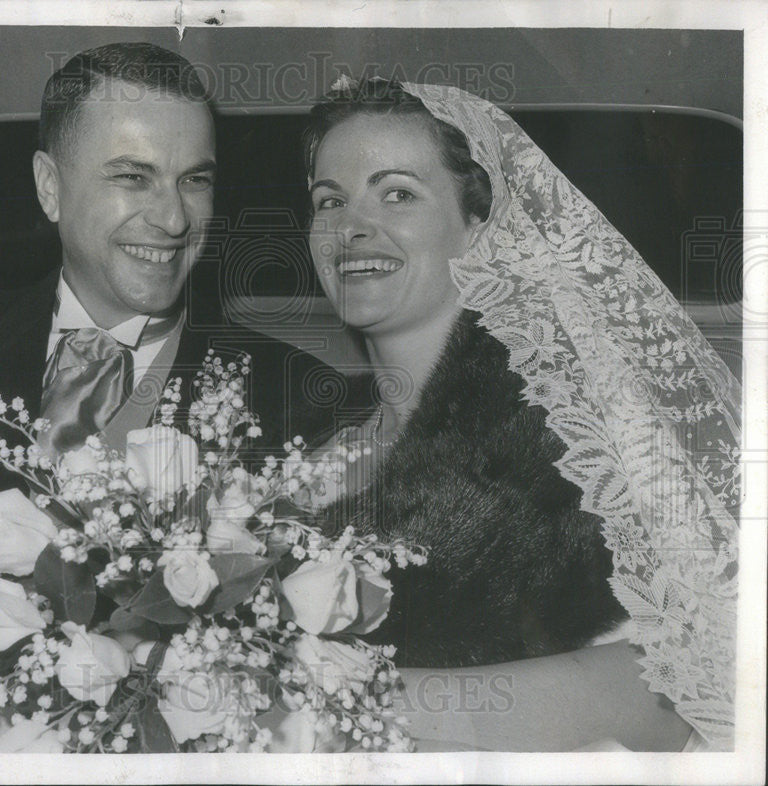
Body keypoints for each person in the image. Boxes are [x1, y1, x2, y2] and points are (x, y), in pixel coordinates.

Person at [0, 43, 349, 623]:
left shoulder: (301, 396)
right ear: (49, 186)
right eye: (133, 177)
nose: (175, 219)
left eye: (195, 181)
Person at [304, 78, 739, 751]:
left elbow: (672, 693)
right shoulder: (313, 465)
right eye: (329, 200)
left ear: (479, 223)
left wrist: (344, 689)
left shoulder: (581, 437)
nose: (351, 226)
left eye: (397, 193)